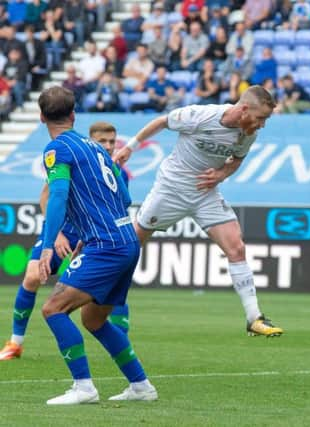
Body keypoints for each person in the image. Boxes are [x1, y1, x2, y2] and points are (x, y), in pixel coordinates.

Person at [112, 85, 284, 337]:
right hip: (171, 189)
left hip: (205, 193)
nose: (262, 125)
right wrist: (131, 147)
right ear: (244, 109)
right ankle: (105, 293)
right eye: (260, 118)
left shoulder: (247, 133)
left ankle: (254, 317)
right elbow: (162, 121)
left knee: (236, 248)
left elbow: (237, 159)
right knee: (131, 244)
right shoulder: (202, 115)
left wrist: (221, 174)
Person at [36, 86, 156, 404]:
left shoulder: (56, 150)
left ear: (41, 117)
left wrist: (49, 245)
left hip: (106, 245)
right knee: (94, 319)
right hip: (126, 239)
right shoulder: (96, 148)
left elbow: (58, 195)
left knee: (52, 309)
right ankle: (141, 386)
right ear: (73, 115)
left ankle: (83, 387)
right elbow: (124, 197)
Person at [0, 121, 132, 362]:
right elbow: (47, 197)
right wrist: (57, 235)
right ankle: (15, 343)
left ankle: (120, 344)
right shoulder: (72, 155)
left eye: (112, 141)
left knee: (110, 289)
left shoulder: (119, 172)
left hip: (93, 236)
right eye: (103, 141)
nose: (109, 146)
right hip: (64, 230)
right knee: (31, 276)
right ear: (91, 141)